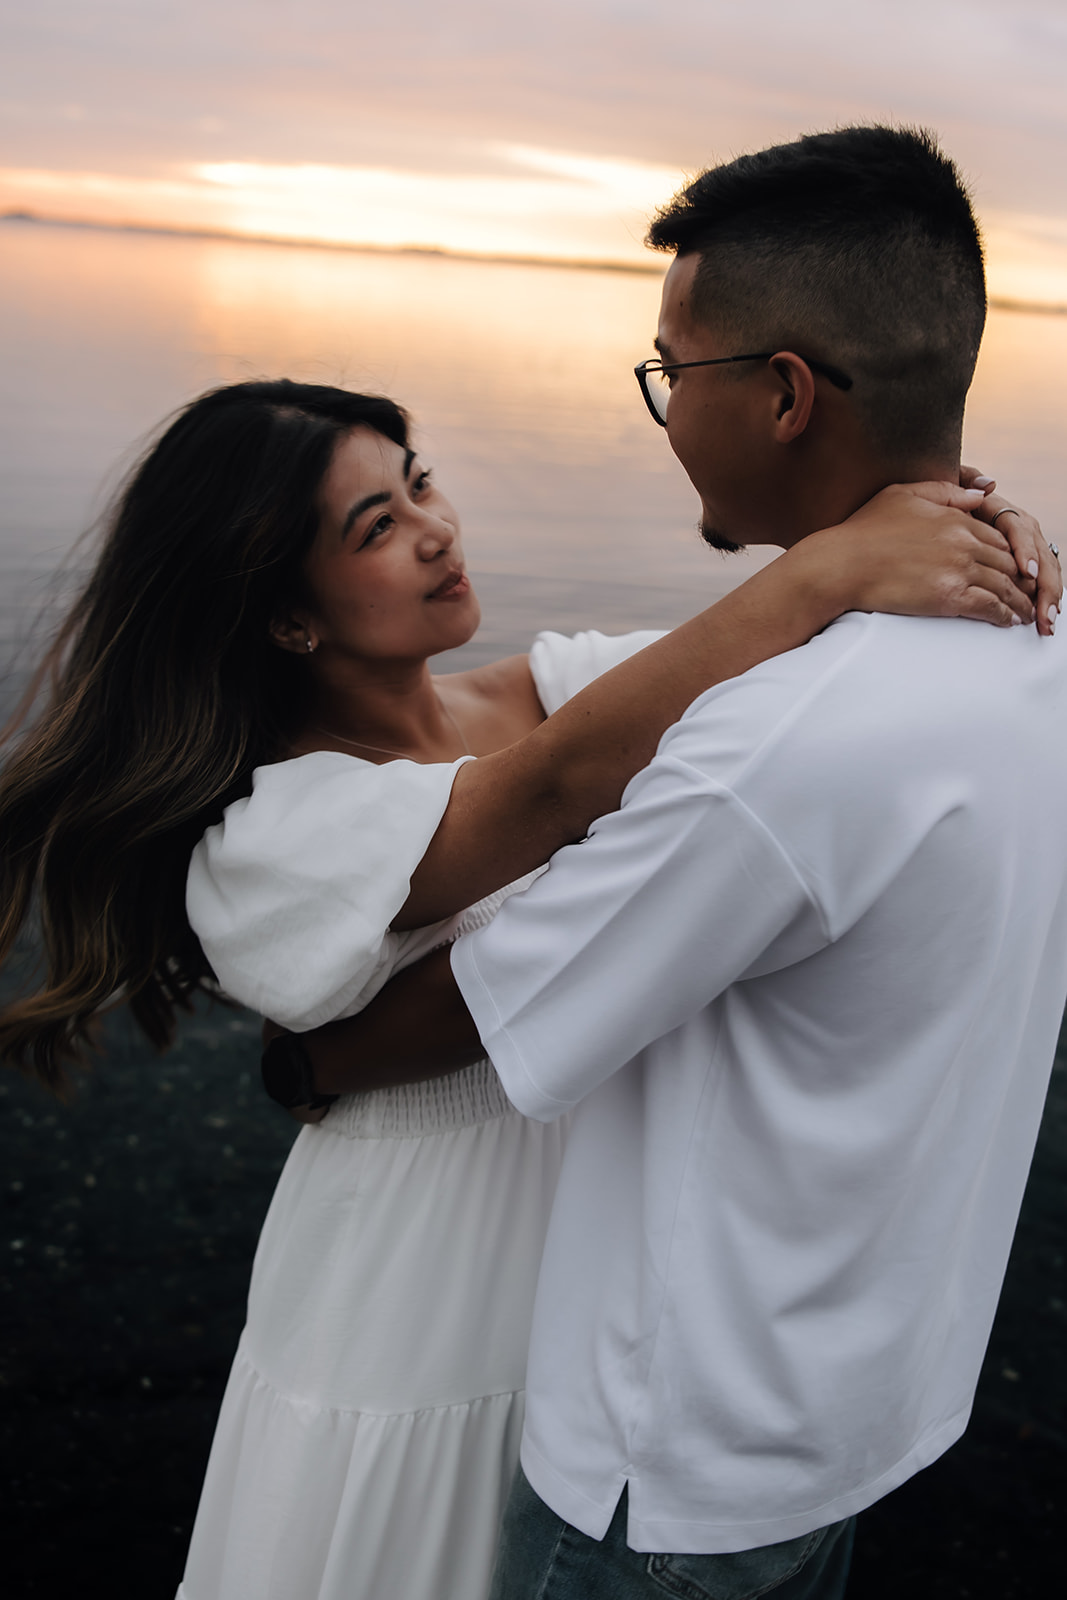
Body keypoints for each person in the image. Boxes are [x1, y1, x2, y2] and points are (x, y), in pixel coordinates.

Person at [0, 365, 1052, 1600]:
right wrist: (823, 564)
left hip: (593, 1265)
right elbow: (554, 789)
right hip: (413, 1295)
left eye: (420, 483)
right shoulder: (269, 834)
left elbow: (781, 679)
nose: (436, 528)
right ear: (288, 617)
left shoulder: (545, 689)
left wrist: (967, 532)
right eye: (376, 527)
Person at [285, 127, 1067, 1599]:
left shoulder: (776, 749)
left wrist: (303, 1058)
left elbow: (477, 1014)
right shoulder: (1030, 632)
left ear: (778, 394)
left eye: (669, 372)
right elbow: (592, 697)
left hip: (667, 1475)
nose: (658, 415)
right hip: (861, 1401)